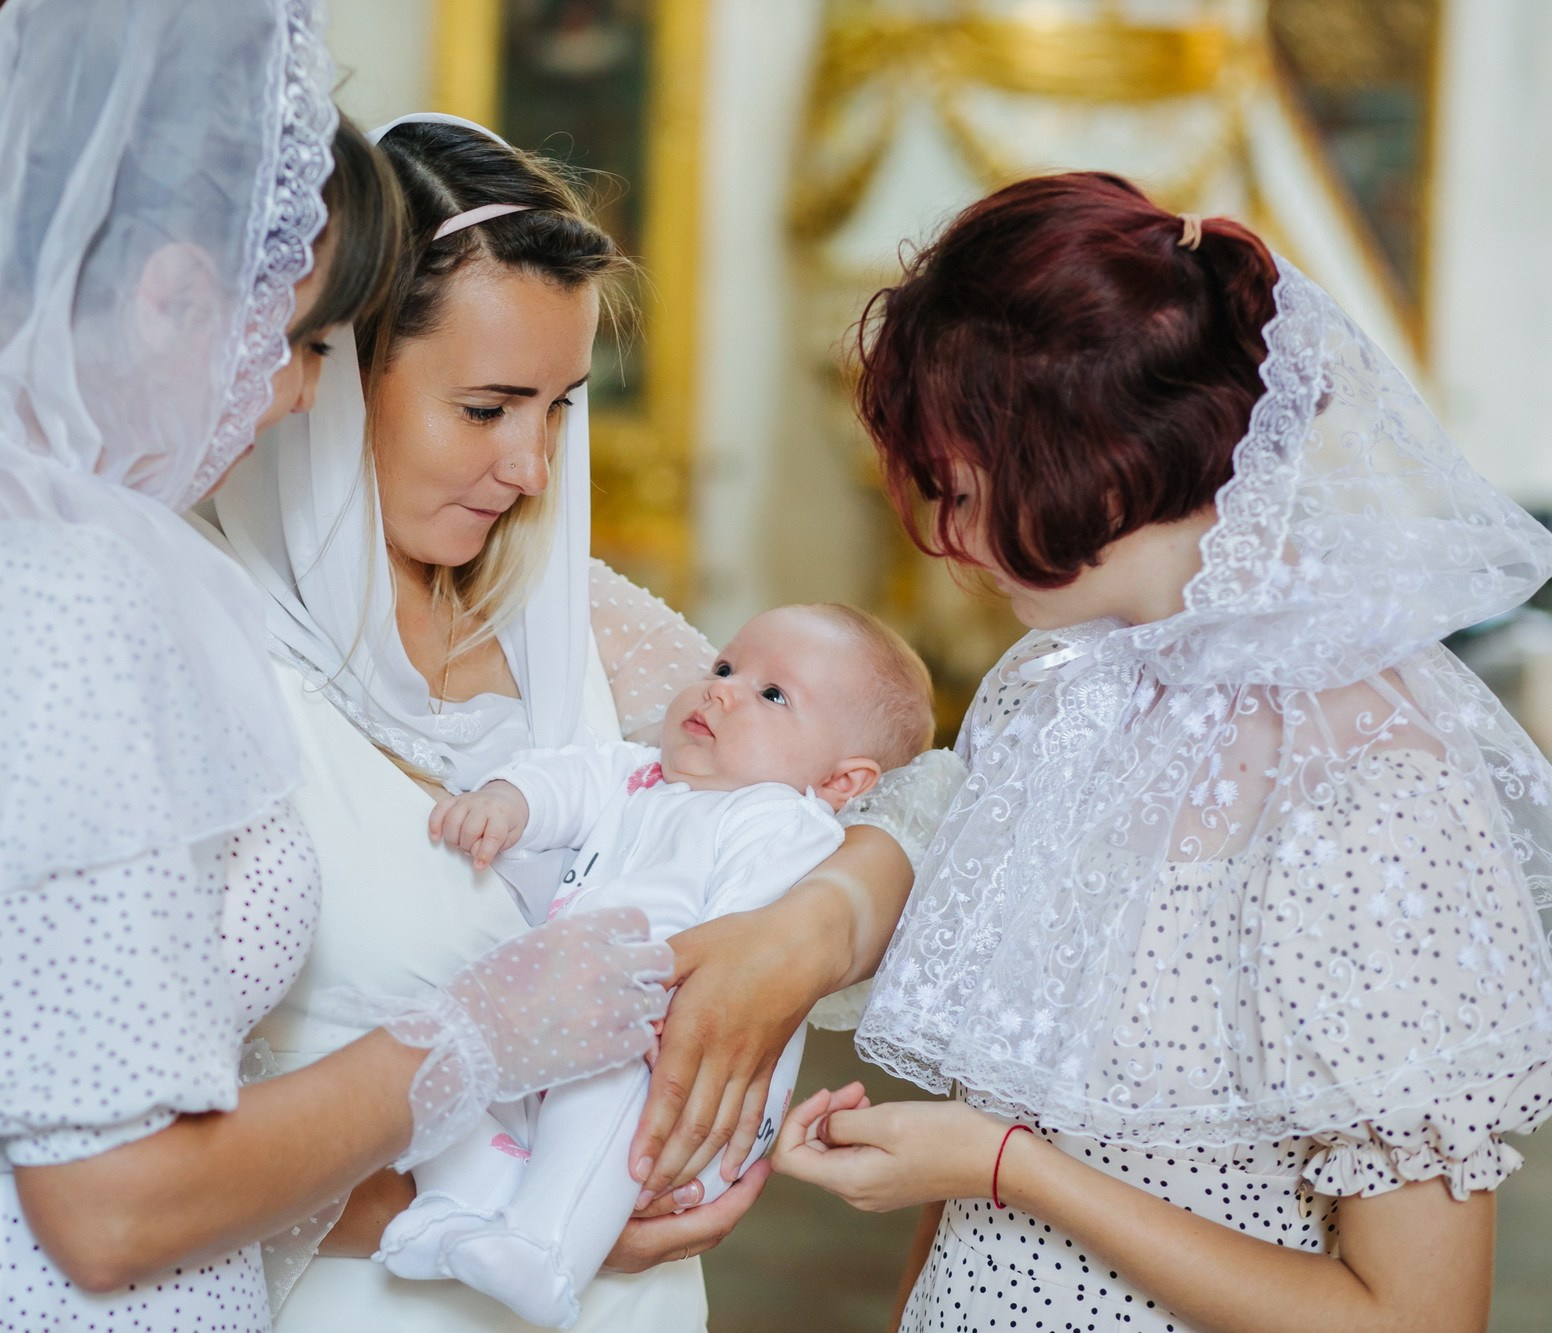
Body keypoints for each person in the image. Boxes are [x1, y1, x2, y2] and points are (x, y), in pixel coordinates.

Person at [0, 4, 674, 1328]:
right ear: (176, 295)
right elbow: (107, 1208)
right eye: (310, 343)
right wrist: (482, 1035)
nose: (296, 400)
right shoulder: (73, 598)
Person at [207, 112, 964, 1331]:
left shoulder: (579, 627)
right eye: (486, 408)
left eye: (556, 408)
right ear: (337, 376)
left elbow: (908, 796)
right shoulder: (197, 642)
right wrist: (531, 1215)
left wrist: (811, 928)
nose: (533, 472)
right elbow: (110, 1162)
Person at [772, 172, 1552, 1333]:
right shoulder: (1057, 695)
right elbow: (985, 1158)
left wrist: (1003, 1167)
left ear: (1086, 456)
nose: (937, 529)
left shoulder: (1370, 789)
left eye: (958, 476)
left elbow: (1413, 1315)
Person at [386, 604, 935, 1326]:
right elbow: (568, 778)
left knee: (603, 1094)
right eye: (724, 667)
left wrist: (661, 1013)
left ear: (841, 781)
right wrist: (508, 801)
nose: (721, 690)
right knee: (459, 1066)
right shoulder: (641, 773)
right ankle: (460, 1206)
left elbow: (743, 950)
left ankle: (543, 1247)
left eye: (773, 694)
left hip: (672, 1069)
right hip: (566, 1019)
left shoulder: (780, 824)